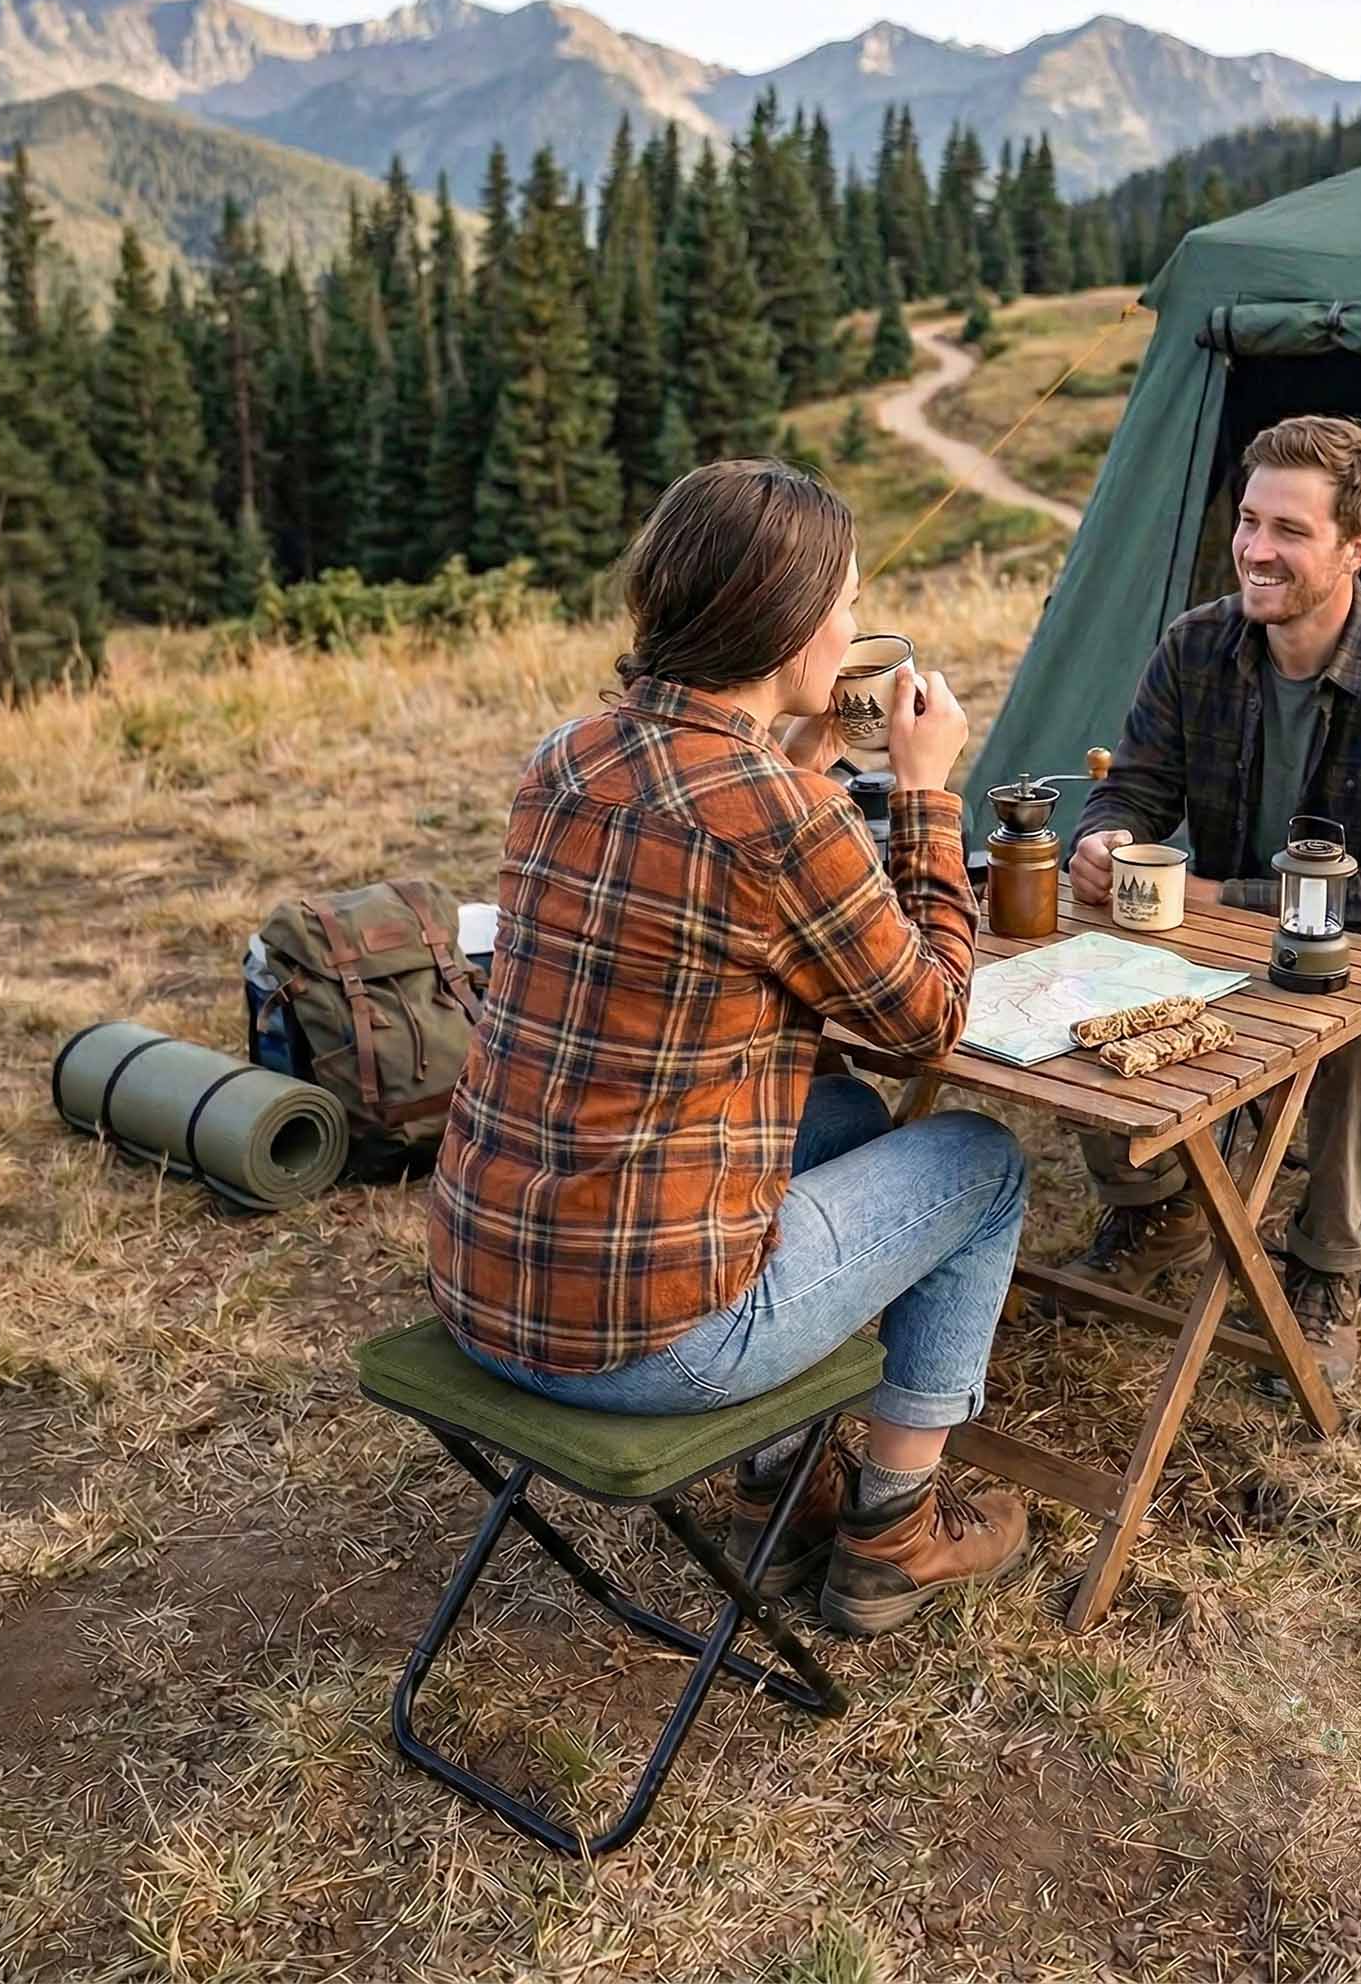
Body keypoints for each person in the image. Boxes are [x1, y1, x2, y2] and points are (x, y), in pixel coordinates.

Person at [428, 460, 1029, 1636]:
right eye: (846, 604)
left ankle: (782, 1486)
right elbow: (929, 1021)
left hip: (483, 1285)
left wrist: (786, 743)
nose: (854, 628)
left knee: (845, 1121)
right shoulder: (785, 819)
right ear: (795, 626)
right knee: (980, 1159)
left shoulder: (563, 756)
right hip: (651, 1344)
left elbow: (704, 887)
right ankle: (893, 1528)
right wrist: (924, 794)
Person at [1063, 416, 1361, 1390]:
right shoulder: (1196, 644)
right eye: (1248, 520)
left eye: (1288, 529)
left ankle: (1324, 1272)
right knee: (1070, 961)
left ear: (1356, 545)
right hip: (1228, 931)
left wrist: (1212, 892)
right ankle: (1157, 1200)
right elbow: (1133, 783)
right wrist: (1104, 834)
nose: (1253, 548)